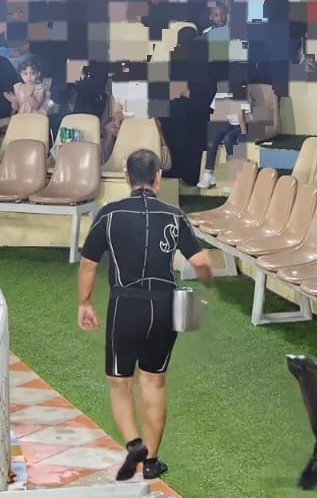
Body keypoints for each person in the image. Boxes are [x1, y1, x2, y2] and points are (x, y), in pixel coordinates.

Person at [77, 149, 215, 481]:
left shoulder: (109, 214)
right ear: (158, 178)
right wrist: (208, 283)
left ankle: (134, 443)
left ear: (126, 177)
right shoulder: (174, 215)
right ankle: (151, 461)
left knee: (120, 381)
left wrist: (85, 302)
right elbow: (201, 263)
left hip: (126, 305)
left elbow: (89, 263)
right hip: (164, 306)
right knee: (153, 381)